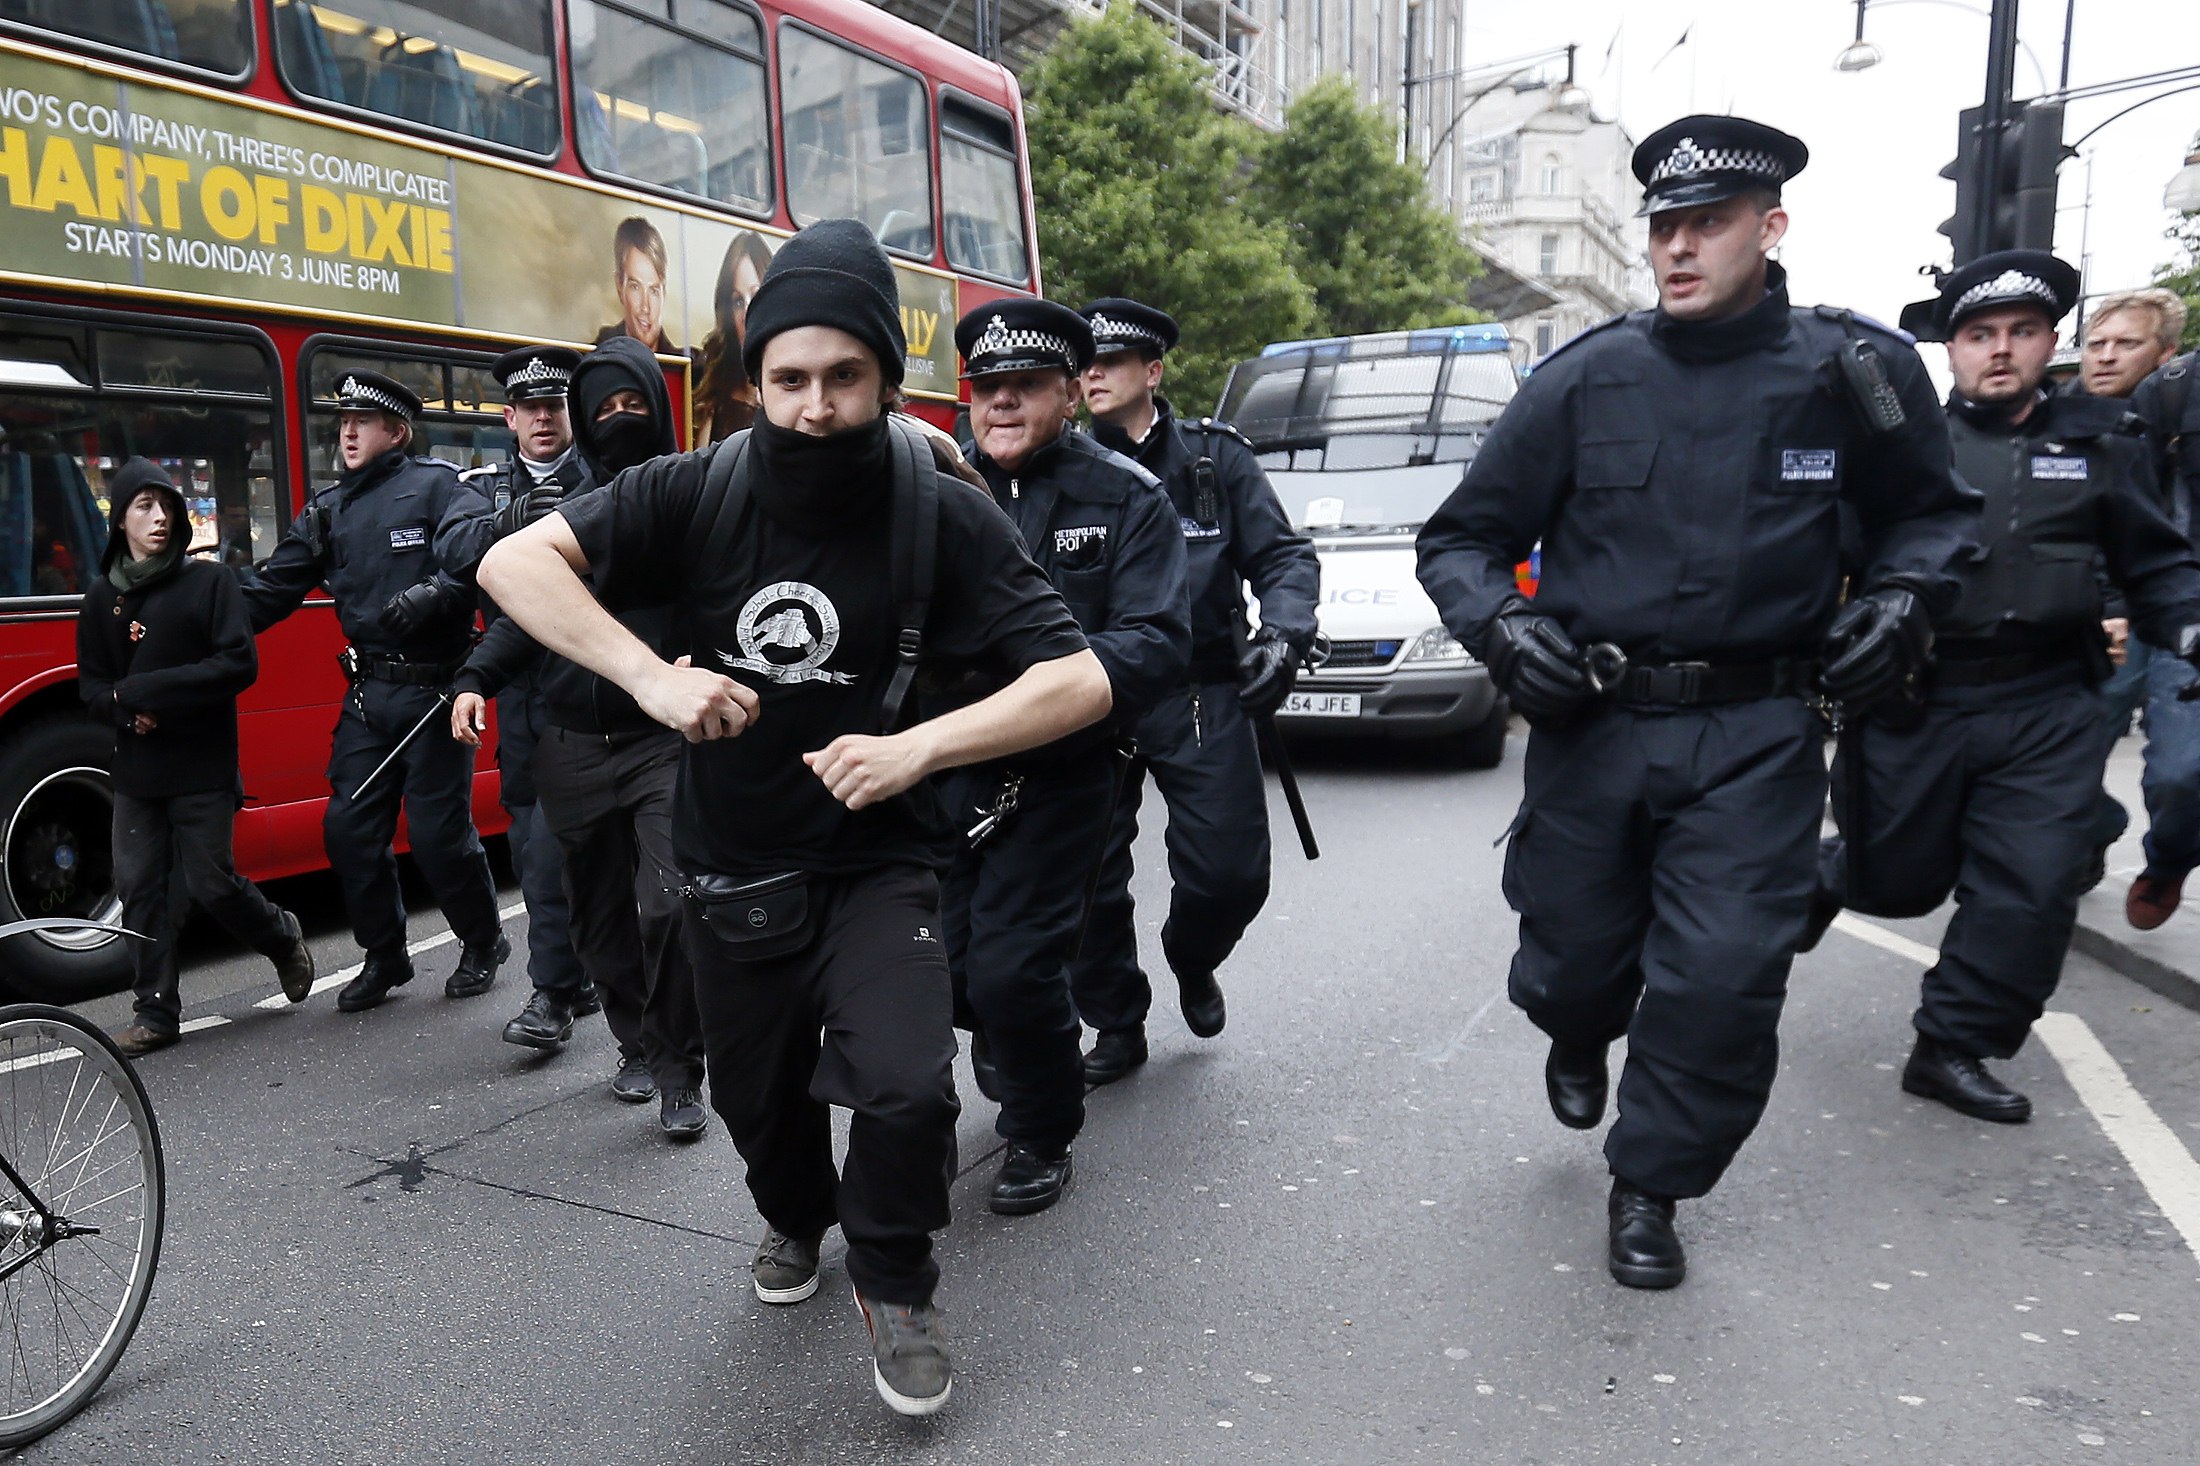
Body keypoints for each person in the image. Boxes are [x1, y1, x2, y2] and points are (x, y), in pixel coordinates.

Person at [478, 219, 1112, 1416]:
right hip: (731, 869)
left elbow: (1076, 678)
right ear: (754, 379)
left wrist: (920, 744)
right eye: (789, 378)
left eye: (843, 377)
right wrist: (652, 677)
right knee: (756, 1105)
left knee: (913, 1089)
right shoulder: (693, 488)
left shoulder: (944, 509)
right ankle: (792, 1216)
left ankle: (897, 1271)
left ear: (884, 377)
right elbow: (517, 566)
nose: (815, 406)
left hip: (882, 864)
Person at [1414, 116, 1976, 1290]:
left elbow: (1931, 511)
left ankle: (1651, 1183)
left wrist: (1905, 599)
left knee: (1723, 976)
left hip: (1757, 732)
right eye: (1662, 227)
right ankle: (1575, 1025)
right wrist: (1508, 628)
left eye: (1705, 225)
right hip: (1594, 724)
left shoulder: (1851, 370)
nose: (1676, 248)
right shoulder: (1585, 376)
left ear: (1769, 230)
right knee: (1570, 961)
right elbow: (1462, 540)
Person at [1811, 253, 2200, 1121]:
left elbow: (2158, 563)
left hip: (2049, 704)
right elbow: (1824, 557)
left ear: (2048, 344)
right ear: (1949, 350)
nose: (1999, 351)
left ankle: (1953, 1044)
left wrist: (2188, 627)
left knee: (2033, 883)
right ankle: (1831, 875)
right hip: (1920, 701)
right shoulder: (1899, 450)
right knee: (1896, 881)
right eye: (1979, 334)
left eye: (2021, 333)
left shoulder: (2103, 445)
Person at [943, 299, 1190, 1214]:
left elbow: (1158, 641)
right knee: (949, 970)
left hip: (1064, 773)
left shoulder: (1125, 495)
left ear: (1066, 393)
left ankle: (1041, 1134)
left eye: (1023, 388)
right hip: (947, 764)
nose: (1000, 405)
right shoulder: (942, 491)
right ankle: (1011, 1033)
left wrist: (1056, 685)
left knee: (1016, 969)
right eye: (986, 389)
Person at [457, 337, 711, 1139]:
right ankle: (635, 1045)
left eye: (634, 405)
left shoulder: (686, 500)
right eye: (601, 410)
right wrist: (473, 679)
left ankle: (680, 1070)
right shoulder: (569, 517)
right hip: (568, 744)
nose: (618, 421)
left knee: (669, 907)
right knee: (596, 917)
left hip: (659, 744)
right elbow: (527, 614)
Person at [1070, 296, 1319, 1081]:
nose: (1092, 376)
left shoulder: (1214, 461)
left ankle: (1191, 953)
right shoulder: (1058, 468)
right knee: (1085, 878)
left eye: (1109, 362)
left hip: (1201, 689)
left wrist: (1281, 635)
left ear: (1153, 371)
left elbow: (1284, 560)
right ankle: (1116, 1021)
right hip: (1093, 697)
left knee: (1231, 873)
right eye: (1083, 365)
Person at [240, 370, 508, 1011]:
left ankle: (482, 940)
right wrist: (188, 611)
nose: (349, 432)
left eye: (364, 421)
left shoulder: (441, 487)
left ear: (398, 430)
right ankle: (385, 955)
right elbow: (270, 591)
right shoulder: (327, 510)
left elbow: (482, 555)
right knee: (349, 830)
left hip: (436, 694)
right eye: (343, 422)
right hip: (368, 697)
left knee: (440, 835)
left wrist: (439, 593)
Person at [79, 459, 316, 1053]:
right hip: (137, 767)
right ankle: (155, 1012)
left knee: (211, 882)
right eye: (144, 507)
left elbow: (238, 663)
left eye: (167, 506)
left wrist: (147, 691)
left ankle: (281, 936)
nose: (159, 518)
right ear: (121, 520)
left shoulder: (210, 583)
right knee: (138, 885)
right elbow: (92, 685)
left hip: (202, 763)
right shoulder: (102, 595)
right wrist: (123, 710)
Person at [448, 346, 599, 1060]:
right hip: (526, 695)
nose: (543, 418)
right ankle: (554, 992)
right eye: (529, 407)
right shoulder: (481, 489)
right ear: (509, 418)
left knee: (607, 857)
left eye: (554, 405)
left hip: (597, 691)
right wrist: (515, 519)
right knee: (535, 848)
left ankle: (600, 982)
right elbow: (452, 551)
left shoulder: (605, 479)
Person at [2117, 311, 2200, 929]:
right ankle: (2133, 845)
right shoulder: (2172, 388)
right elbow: (2123, 510)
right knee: (2176, 774)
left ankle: (2167, 857)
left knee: (2182, 771)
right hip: (2161, 605)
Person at [694, 231, 775, 446]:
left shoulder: (797, 394)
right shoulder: (716, 404)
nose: (748, 313)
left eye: (756, 295)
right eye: (738, 301)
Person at [596, 216, 679, 356]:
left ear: (663, 293)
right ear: (620, 286)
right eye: (635, 287)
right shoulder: (595, 359)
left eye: (653, 291)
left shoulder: (689, 369)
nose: (645, 307)